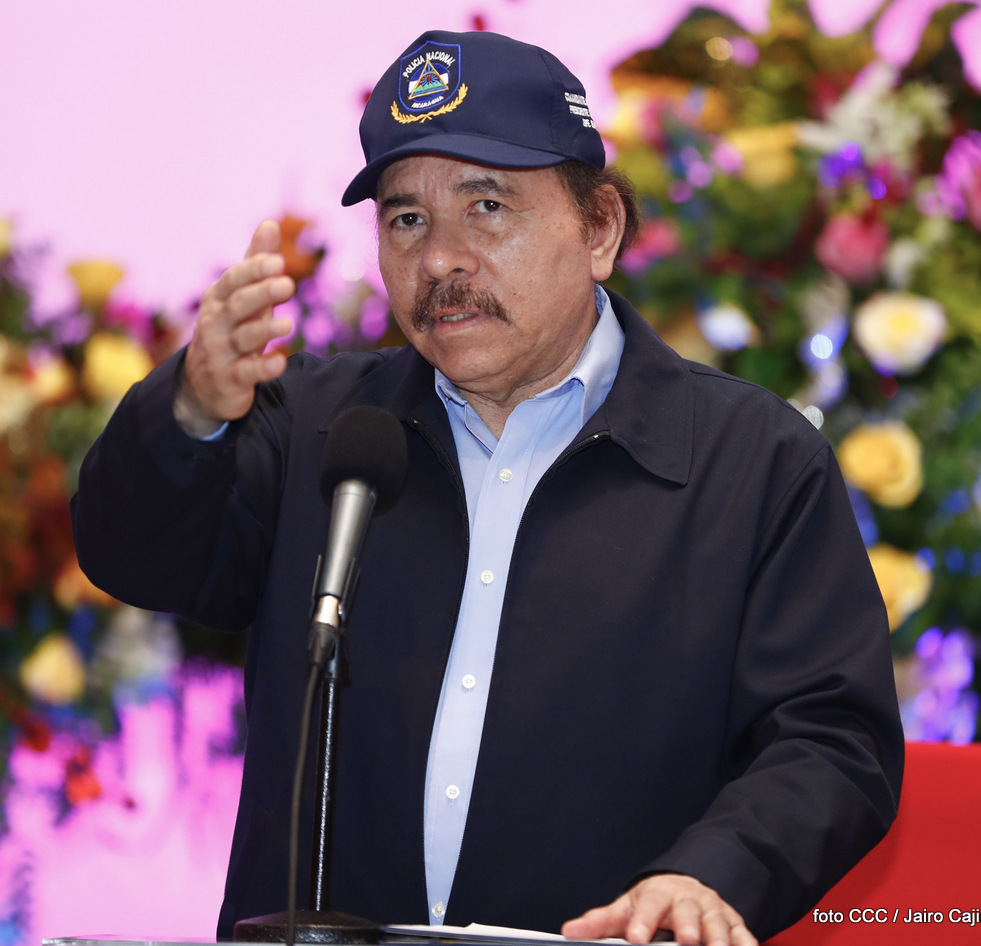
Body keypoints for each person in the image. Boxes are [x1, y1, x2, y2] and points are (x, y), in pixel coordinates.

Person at [72, 29, 903, 946]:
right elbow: (132, 555)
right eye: (406, 220)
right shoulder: (314, 427)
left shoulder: (752, 460)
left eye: (488, 207)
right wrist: (189, 408)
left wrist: (713, 873)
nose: (440, 260)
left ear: (599, 229)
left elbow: (832, 736)